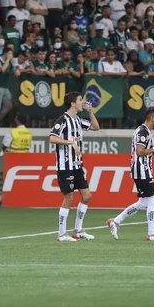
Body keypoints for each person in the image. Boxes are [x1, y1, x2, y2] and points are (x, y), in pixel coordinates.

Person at [107, 108, 154, 242]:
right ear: (151, 118)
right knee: (153, 199)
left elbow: (143, 152)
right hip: (141, 170)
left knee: (143, 203)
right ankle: (151, 234)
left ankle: (115, 221)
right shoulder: (142, 132)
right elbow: (140, 152)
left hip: (143, 169)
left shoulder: (145, 131)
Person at [49, 91, 100, 242]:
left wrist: (90, 112)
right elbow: (52, 138)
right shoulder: (63, 119)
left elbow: (96, 127)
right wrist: (70, 142)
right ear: (72, 103)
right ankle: (62, 234)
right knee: (69, 198)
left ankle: (77, 230)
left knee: (87, 196)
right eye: (80, 100)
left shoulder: (78, 120)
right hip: (65, 166)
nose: (82, 102)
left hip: (77, 165)